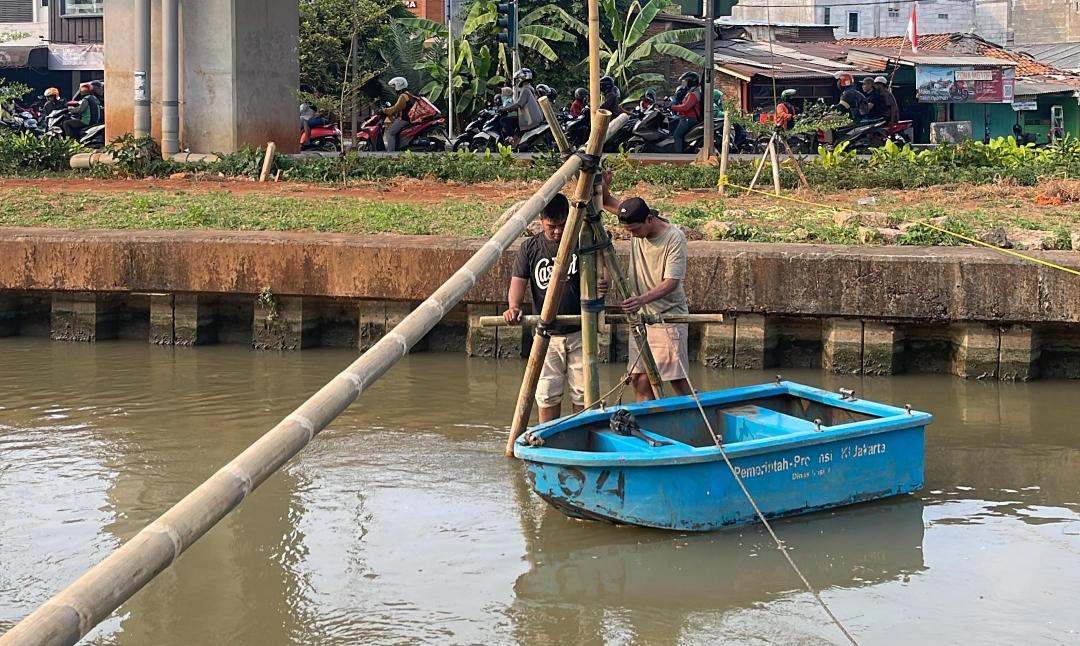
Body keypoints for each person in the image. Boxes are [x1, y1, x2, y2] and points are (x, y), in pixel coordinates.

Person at [600, 171, 692, 402]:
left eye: (635, 230)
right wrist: (603, 185)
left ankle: (699, 419)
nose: (634, 235)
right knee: (639, 379)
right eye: (629, 232)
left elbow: (671, 282)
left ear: (649, 219)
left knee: (677, 380)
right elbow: (603, 201)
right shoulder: (634, 220)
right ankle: (649, 425)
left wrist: (641, 299)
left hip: (667, 317)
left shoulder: (674, 238)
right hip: (641, 319)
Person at [503, 194, 584, 422]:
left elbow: (600, 272)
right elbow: (518, 282)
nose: (557, 232)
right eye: (551, 227)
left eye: (561, 226)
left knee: (584, 392)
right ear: (541, 221)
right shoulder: (530, 248)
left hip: (580, 331)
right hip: (547, 334)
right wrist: (514, 307)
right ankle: (548, 437)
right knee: (547, 393)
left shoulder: (581, 242)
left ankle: (584, 437)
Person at [498, 68, 543, 143]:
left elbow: (518, 104)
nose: (516, 82)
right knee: (517, 126)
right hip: (534, 118)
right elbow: (522, 105)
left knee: (503, 120)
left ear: (521, 78)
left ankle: (510, 138)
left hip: (529, 120)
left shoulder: (525, 89)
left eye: (517, 79)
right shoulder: (531, 88)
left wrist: (504, 109)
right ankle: (516, 142)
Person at [669, 71, 702, 154]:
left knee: (677, 135)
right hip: (685, 117)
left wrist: (672, 107)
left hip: (689, 119)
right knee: (672, 123)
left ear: (691, 81)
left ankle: (678, 155)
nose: (684, 83)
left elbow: (686, 107)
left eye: (685, 81)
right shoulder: (692, 91)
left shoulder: (694, 93)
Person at [380, 76, 414, 152]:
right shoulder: (408, 94)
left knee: (390, 133)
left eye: (395, 86)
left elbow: (396, 108)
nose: (394, 88)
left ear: (399, 85)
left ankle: (391, 153)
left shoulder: (403, 96)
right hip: (407, 118)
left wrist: (385, 110)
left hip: (404, 119)